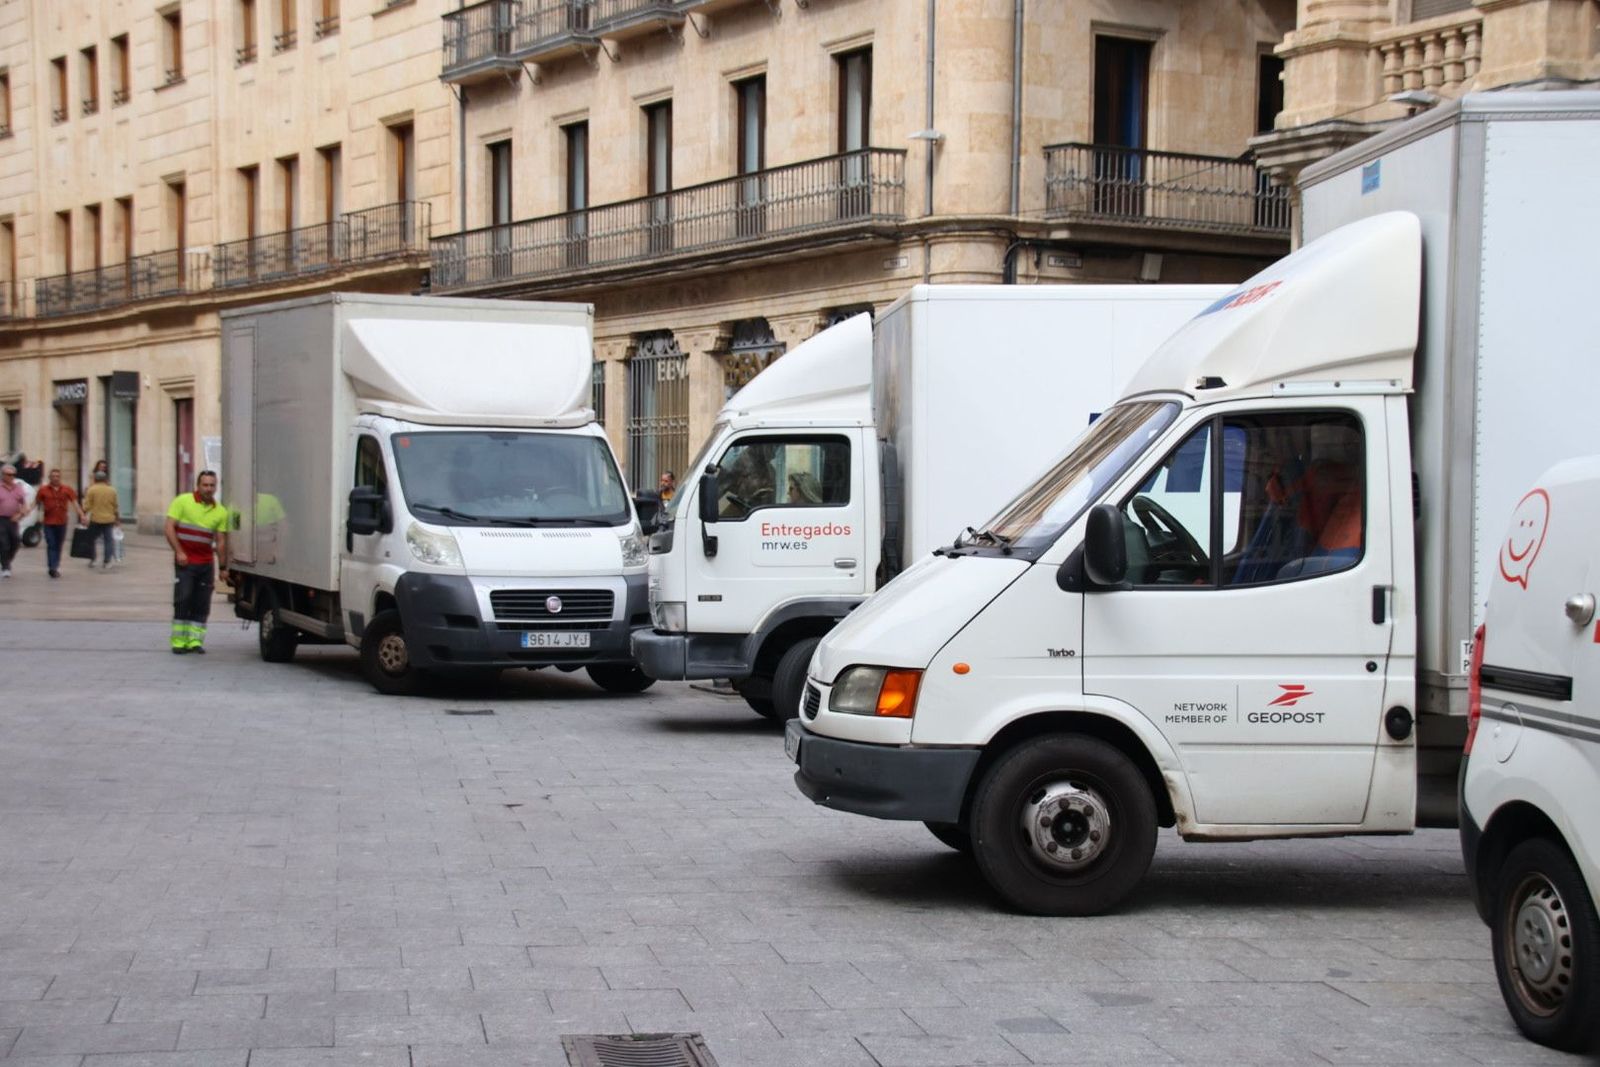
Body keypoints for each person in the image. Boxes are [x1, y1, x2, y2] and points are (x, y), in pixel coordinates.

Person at [164, 470, 229, 654]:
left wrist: (223, 567)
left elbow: (221, 541)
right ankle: (178, 641)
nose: (208, 489)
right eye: (205, 485)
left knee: (202, 603)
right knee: (183, 599)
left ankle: (195, 641)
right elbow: (169, 527)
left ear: (216, 487)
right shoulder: (182, 501)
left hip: (206, 563)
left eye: (212, 485)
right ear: (198, 486)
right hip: (185, 562)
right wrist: (179, 552)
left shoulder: (220, 511)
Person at [35, 468, 87, 578]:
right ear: (50, 478)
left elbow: (75, 503)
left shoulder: (67, 489)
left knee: (58, 545)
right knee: (51, 544)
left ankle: (55, 565)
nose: (55, 478)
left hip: (61, 522)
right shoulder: (43, 490)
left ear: (60, 477)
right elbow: (36, 503)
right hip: (48, 522)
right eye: (53, 476)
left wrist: (82, 515)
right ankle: (53, 568)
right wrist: (27, 512)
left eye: (57, 476)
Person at [82, 469, 121, 569]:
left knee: (91, 539)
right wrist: (117, 518)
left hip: (95, 519)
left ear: (95, 479)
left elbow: (87, 506)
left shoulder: (92, 490)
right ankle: (107, 561)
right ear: (105, 479)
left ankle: (93, 559)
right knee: (108, 540)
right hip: (109, 519)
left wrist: (83, 515)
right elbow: (115, 506)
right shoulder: (112, 490)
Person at [0, 463, 30, 579]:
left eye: (13, 475)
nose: (11, 477)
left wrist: (21, 514)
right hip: (1, 519)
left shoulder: (18, 488)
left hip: (13, 519)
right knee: (4, 543)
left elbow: (24, 504)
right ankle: (6, 567)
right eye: (8, 474)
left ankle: (6, 560)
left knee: (16, 541)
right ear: (3, 475)